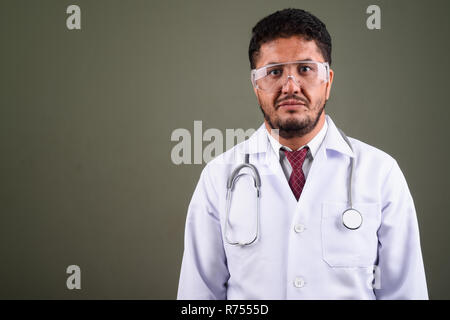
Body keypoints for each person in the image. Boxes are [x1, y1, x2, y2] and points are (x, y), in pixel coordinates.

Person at [177, 8, 428, 299]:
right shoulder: (219, 177)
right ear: (256, 86)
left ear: (328, 81)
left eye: (306, 69)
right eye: (274, 72)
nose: (290, 86)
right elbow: (198, 298)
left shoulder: (381, 173)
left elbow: (406, 292)